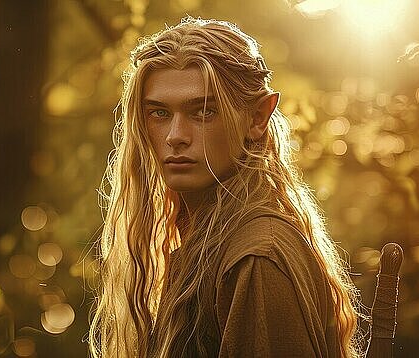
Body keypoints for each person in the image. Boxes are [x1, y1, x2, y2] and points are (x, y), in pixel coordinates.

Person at [88, 16, 362, 358]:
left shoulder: (256, 259)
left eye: (203, 111)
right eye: (159, 113)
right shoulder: (208, 244)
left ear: (257, 117)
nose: (175, 136)